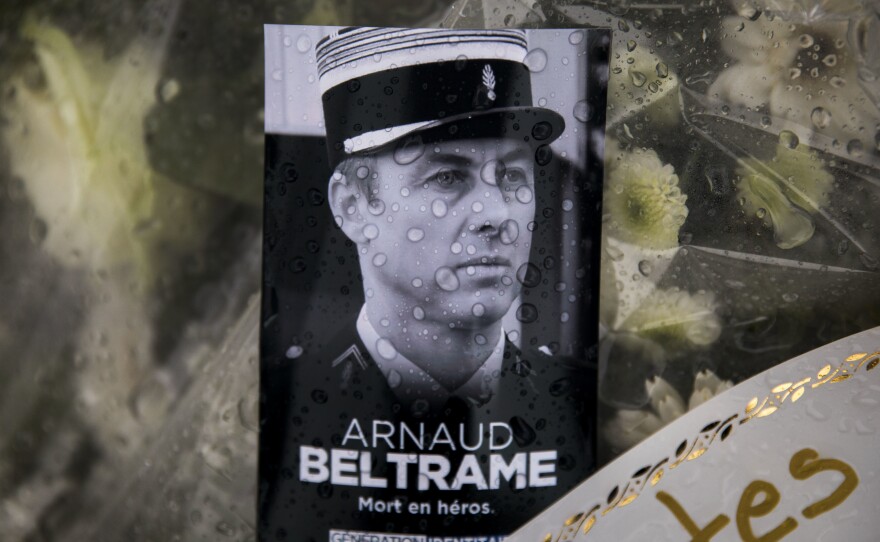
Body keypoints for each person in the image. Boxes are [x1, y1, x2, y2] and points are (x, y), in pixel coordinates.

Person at [259, 27, 597, 540]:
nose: (496, 215)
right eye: (447, 178)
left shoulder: (584, 402)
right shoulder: (272, 411)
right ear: (352, 206)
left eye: (511, 177)